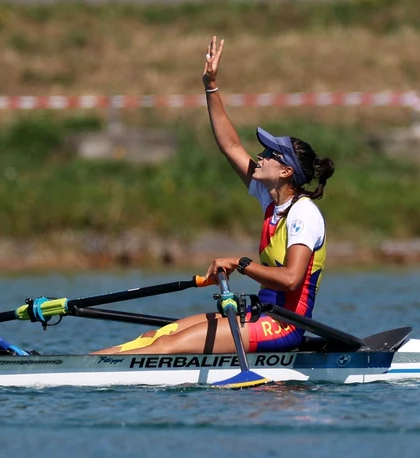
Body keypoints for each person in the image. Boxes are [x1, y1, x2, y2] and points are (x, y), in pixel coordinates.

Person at [93, 36, 334, 355]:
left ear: (286, 171)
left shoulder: (304, 214)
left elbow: (291, 280)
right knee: (159, 334)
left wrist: (240, 262)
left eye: (269, 154)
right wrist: (211, 85)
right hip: (262, 315)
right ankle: (87, 364)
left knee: (169, 346)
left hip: (285, 327)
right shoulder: (271, 199)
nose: (260, 157)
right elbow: (230, 145)